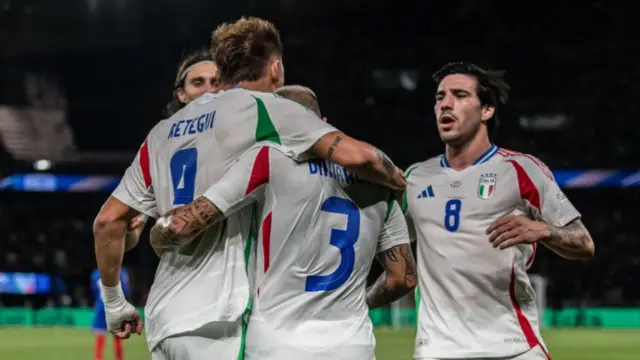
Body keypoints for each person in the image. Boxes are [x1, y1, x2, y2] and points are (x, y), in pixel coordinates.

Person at [93, 16, 405, 360]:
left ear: (223, 69)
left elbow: (108, 222)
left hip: (166, 316)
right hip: (220, 320)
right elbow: (362, 158)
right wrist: (398, 182)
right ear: (276, 68)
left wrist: (115, 304)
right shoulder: (266, 109)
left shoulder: (160, 134)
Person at [148, 84, 417, 360]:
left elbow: (183, 226)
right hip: (353, 345)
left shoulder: (268, 157)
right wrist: (360, 305)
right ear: (323, 124)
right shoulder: (378, 181)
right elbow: (404, 279)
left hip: (276, 344)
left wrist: (157, 235)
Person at [402, 61, 595, 360]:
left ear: (486, 110)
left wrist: (543, 230)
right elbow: (391, 250)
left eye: (460, 95)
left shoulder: (521, 169)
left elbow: (584, 243)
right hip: (437, 351)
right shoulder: (414, 178)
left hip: (513, 348)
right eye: (440, 97)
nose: (446, 104)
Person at [164, 49, 219, 117]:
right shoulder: (165, 127)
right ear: (182, 94)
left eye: (216, 83)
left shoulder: (234, 125)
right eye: (198, 83)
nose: (209, 90)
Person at [91, 267, 130, 360]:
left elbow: (94, 291)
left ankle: (98, 358)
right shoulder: (121, 272)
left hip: (101, 307)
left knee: (100, 336)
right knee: (117, 336)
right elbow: (125, 290)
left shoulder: (96, 273)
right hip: (115, 307)